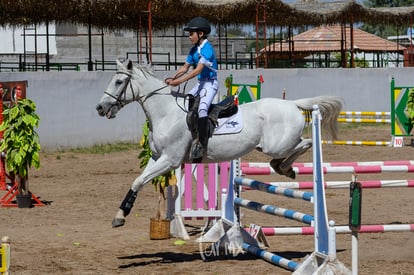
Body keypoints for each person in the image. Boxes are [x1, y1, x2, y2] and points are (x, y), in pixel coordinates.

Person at [165, 17, 218, 161]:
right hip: (201, 83)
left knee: (201, 109)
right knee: (187, 99)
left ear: (200, 34)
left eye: (191, 34)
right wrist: (173, 77)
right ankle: (191, 134)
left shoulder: (207, 49)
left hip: (210, 84)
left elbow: (196, 71)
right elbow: (185, 67)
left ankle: (201, 144)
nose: (189, 36)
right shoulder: (194, 49)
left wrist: (178, 82)